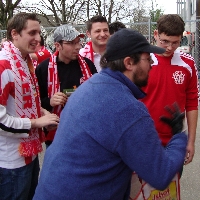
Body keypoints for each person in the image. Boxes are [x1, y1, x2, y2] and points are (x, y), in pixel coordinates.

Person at [33, 28, 187, 200]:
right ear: (129, 63)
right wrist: (179, 138)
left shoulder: (90, 86)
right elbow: (161, 175)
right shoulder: (128, 109)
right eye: (147, 58)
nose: (152, 63)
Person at [0, 13, 60, 200]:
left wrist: (43, 116)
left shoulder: (25, 61)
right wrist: (36, 122)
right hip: (11, 163)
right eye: (32, 33)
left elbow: (23, 103)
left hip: (30, 153)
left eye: (39, 33)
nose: (38, 38)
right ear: (15, 34)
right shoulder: (4, 65)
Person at [140, 14, 199, 166]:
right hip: (143, 140)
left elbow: (192, 103)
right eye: (164, 41)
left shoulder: (187, 63)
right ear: (155, 34)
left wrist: (190, 141)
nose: (169, 47)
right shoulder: (140, 60)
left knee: (171, 189)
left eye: (175, 43)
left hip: (174, 141)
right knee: (141, 188)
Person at [35, 24, 97, 147]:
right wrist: (50, 101)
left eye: (78, 42)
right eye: (72, 43)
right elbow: (35, 102)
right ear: (58, 45)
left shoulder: (88, 66)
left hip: (85, 131)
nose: (78, 47)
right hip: (56, 134)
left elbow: (98, 96)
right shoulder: (43, 69)